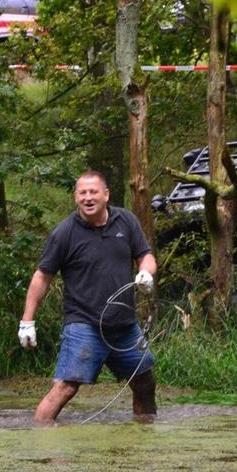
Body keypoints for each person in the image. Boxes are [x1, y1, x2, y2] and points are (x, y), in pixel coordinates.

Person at [18, 171, 158, 425]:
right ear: (76, 197)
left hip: (125, 326)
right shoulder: (65, 233)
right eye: (82, 193)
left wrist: (146, 273)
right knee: (66, 388)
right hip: (84, 325)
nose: (88, 198)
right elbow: (42, 277)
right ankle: (38, 440)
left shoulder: (126, 221)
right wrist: (27, 321)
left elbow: (145, 255)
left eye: (93, 192)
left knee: (145, 383)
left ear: (106, 195)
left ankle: (144, 435)